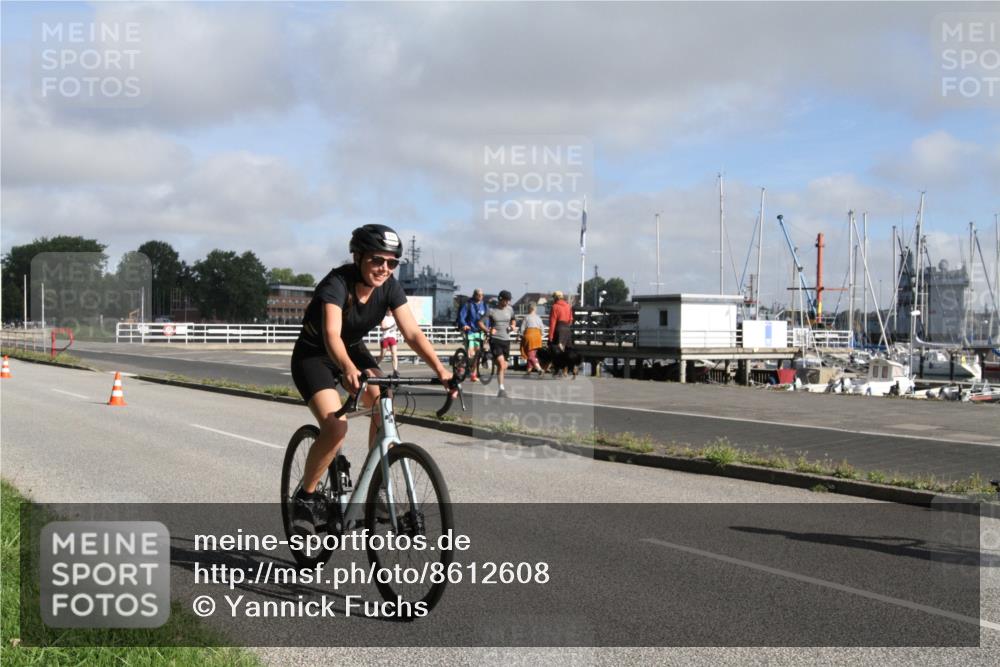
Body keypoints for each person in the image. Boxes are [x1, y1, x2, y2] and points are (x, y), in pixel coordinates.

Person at [290, 224, 452, 527]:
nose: (385, 268)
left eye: (392, 263)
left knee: (383, 399)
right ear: (358, 256)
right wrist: (349, 369)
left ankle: (374, 486)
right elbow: (330, 335)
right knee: (336, 428)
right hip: (314, 355)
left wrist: (441, 370)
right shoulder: (336, 284)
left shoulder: (390, 287)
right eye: (378, 260)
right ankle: (306, 497)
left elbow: (413, 333)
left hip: (351, 349)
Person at [485, 290, 517, 398]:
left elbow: (513, 320)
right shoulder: (492, 311)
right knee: (502, 364)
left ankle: (491, 357)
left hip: (506, 340)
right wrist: (488, 330)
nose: (507, 302)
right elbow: (480, 322)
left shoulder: (510, 309)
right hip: (495, 339)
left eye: (508, 300)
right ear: (500, 299)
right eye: (505, 300)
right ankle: (501, 389)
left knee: (504, 366)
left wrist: (513, 326)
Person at [458, 288, 487, 382]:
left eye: (482, 295)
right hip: (470, 331)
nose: (481, 297)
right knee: (471, 353)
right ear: (474, 295)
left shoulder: (484, 305)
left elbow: (487, 318)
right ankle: (461, 364)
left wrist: (487, 328)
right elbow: (462, 316)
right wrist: (464, 325)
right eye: (479, 295)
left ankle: (473, 374)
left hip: (480, 331)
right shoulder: (468, 305)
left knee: (477, 352)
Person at [519, 302, 544, 375]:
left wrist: (520, 336)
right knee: (533, 354)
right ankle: (528, 371)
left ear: (529, 309)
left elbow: (522, 329)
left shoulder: (526, 317)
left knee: (530, 356)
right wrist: (540, 335)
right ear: (535, 309)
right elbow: (542, 329)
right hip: (537, 337)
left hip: (529, 336)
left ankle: (539, 369)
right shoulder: (539, 318)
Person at [377, 311, 399, 376]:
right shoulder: (384, 317)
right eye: (389, 311)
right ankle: (376, 365)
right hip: (385, 338)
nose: (390, 312)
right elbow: (383, 328)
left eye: (391, 311)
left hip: (393, 337)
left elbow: (396, 328)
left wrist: (395, 328)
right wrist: (390, 327)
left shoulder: (394, 318)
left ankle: (395, 370)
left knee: (394, 354)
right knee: (382, 355)